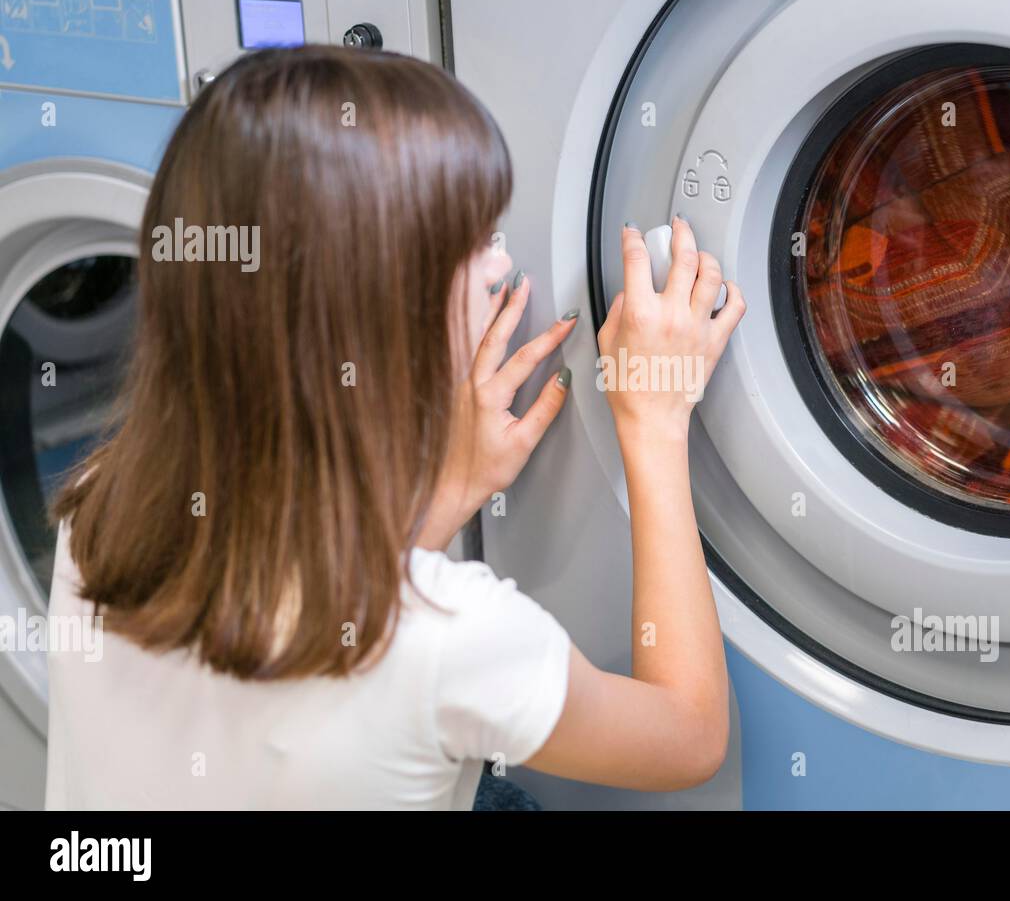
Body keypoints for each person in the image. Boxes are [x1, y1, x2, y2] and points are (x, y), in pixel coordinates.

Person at [44, 45, 745, 809]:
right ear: (380, 312)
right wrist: (654, 421)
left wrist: (446, 495)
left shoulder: (98, 504)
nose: (496, 264)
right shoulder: (456, 633)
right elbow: (689, 735)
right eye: (470, 241)